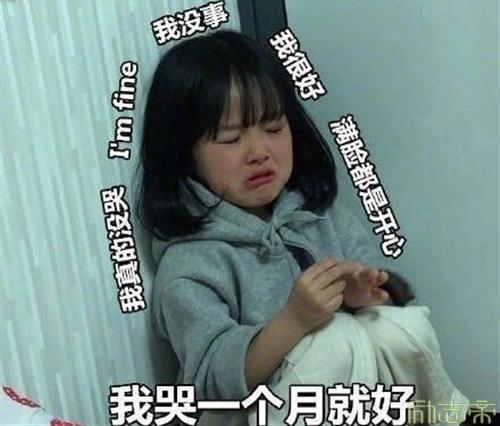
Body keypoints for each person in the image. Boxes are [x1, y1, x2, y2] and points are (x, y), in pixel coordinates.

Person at [136, 29, 469, 426]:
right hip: (246, 414)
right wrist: (294, 320)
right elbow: (209, 387)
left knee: (397, 325)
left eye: (273, 128)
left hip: (351, 406)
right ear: (183, 154)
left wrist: (367, 295)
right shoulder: (190, 264)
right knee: (336, 338)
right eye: (231, 138)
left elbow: (391, 306)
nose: (258, 152)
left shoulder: (322, 217)